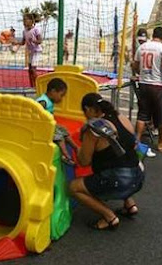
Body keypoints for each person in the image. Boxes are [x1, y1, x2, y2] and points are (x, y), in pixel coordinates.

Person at [68, 93, 145, 230]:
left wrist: (76, 147)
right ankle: (129, 205)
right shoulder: (120, 117)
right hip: (138, 176)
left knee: (74, 187)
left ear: (88, 109)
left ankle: (109, 217)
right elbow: (132, 144)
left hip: (120, 180)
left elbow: (84, 161)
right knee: (119, 161)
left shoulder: (94, 128)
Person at [132, 26, 162, 153]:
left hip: (144, 85)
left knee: (142, 114)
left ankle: (136, 141)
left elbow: (135, 65)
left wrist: (141, 74)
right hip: (157, 86)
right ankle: (161, 143)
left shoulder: (142, 47)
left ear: (153, 35)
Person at [36, 78, 79, 165]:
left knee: (64, 129)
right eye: (61, 95)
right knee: (59, 137)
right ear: (53, 91)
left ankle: (76, 147)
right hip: (42, 127)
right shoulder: (43, 102)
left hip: (50, 125)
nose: (61, 98)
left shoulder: (49, 100)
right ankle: (66, 156)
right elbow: (37, 117)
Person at [14, 12, 43, 88]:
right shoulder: (24, 31)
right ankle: (32, 86)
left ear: (31, 21)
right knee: (29, 70)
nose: (24, 22)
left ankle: (38, 85)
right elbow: (23, 42)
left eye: (26, 20)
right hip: (31, 52)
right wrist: (16, 42)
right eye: (23, 20)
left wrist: (33, 40)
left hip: (37, 51)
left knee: (33, 69)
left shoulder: (36, 29)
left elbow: (40, 41)